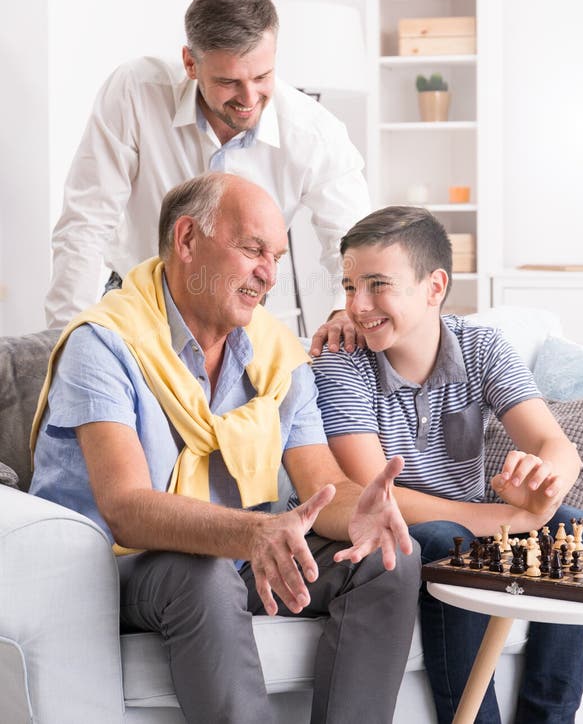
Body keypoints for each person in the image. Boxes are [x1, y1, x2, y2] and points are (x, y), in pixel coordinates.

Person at [30, 173, 420, 724]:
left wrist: (360, 510)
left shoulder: (277, 354)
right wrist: (253, 531)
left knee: (390, 557)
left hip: (238, 553)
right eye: (253, 249)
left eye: (278, 256)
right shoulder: (104, 343)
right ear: (187, 240)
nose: (269, 274)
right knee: (204, 572)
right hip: (115, 567)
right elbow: (125, 510)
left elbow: (318, 486)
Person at [312, 205, 583, 724]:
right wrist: (509, 520)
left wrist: (544, 490)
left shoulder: (481, 347)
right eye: (350, 286)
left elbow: (555, 445)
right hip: (396, 534)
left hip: (470, 523)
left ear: (434, 286)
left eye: (378, 285)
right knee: (446, 541)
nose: (358, 304)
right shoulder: (341, 362)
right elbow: (377, 494)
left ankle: (550, 717)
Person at [45, 0, 369, 357]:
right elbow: (85, 223)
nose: (249, 100)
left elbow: (354, 238)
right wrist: (65, 339)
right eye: (229, 82)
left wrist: (341, 307)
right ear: (190, 64)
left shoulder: (314, 133)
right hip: (135, 304)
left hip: (239, 316)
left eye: (262, 78)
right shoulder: (135, 92)